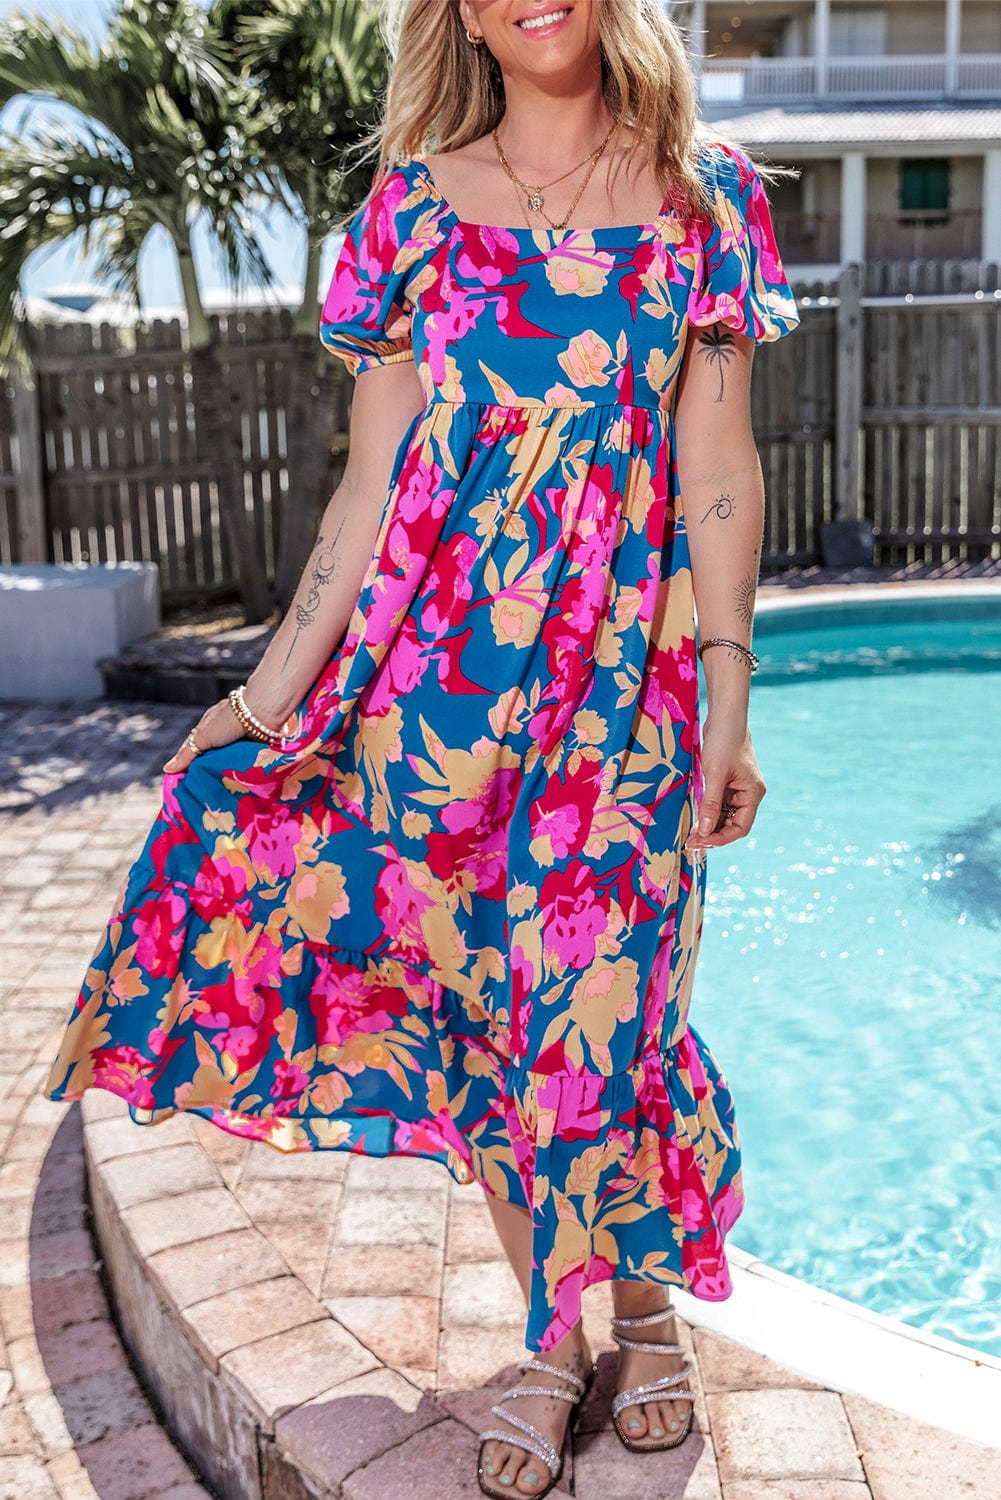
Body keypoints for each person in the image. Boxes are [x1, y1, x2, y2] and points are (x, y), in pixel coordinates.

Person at [41, 1, 800, 1494]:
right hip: (432, 692)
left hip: (617, 697)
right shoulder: (405, 210)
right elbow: (370, 485)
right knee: (485, 1019)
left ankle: (631, 1306)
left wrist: (728, 687)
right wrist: (267, 697)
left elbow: (715, 459)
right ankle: (559, 1338)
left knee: (607, 1010)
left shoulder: (710, 198)